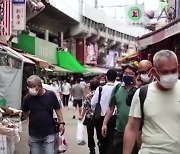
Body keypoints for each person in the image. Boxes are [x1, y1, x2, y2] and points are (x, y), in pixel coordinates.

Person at [123, 50, 180, 154]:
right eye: (164, 72)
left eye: (173, 71)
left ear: (178, 68)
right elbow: (131, 128)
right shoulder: (142, 94)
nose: (170, 75)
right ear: (153, 72)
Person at [23, 75, 65, 154]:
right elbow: (25, 111)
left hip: (48, 133)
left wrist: (61, 123)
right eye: (28, 87)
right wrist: (33, 117)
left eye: (31, 87)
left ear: (39, 86)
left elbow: (57, 109)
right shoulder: (27, 98)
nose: (30, 89)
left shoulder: (51, 95)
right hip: (33, 135)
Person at [101, 63, 138, 154]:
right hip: (119, 131)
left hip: (136, 132)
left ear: (136, 76)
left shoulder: (139, 90)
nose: (127, 75)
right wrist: (104, 123)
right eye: (125, 73)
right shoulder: (117, 88)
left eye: (130, 74)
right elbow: (111, 108)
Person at [91, 69, 117, 154]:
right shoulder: (118, 88)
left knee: (102, 140)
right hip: (114, 118)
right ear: (115, 78)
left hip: (101, 118)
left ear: (106, 78)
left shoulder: (100, 89)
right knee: (112, 140)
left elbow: (93, 103)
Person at [79, 79, 100, 154]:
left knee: (90, 134)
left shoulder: (89, 95)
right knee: (99, 133)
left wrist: (81, 115)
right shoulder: (100, 93)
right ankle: (100, 145)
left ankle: (92, 149)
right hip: (99, 116)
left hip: (89, 117)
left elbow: (85, 107)